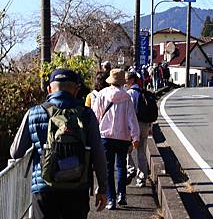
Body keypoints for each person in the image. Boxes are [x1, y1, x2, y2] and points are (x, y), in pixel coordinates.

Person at [10, 69, 108, 219]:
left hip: (44, 187)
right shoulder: (87, 115)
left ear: (49, 89)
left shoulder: (34, 113)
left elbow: (15, 152)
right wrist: (102, 188)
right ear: (76, 90)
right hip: (78, 187)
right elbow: (98, 154)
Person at [92, 69, 140, 210]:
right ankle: (122, 196)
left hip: (105, 137)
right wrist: (135, 137)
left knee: (108, 169)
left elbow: (96, 116)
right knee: (121, 167)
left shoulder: (102, 95)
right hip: (123, 137)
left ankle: (111, 200)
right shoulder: (126, 97)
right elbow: (132, 119)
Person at [125, 71, 152, 187]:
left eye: (126, 79)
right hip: (145, 125)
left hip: (133, 126)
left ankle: (131, 169)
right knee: (142, 152)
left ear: (131, 80)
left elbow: (127, 112)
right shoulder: (144, 92)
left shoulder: (129, 94)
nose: (125, 81)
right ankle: (141, 179)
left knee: (127, 150)